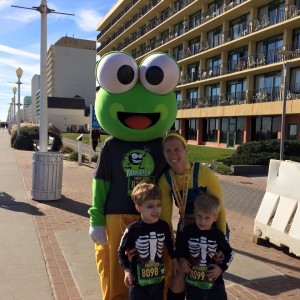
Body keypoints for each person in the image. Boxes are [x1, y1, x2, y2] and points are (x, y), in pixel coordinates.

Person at [88, 52, 179, 300]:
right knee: (115, 269)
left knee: (154, 268)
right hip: (116, 215)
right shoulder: (111, 146)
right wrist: (96, 217)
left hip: (152, 217)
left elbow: (172, 180)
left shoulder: (160, 146)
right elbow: (101, 183)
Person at [158, 131, 227, 300]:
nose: (173, 155)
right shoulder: (165, 179)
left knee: (209, 272)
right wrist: (173, 253)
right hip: (187, 230)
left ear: (186, 150)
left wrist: (222, 239)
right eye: (168, 150)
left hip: (212, 227)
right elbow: (166, 219)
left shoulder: (204, 173)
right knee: (179, 273)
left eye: (177, 149)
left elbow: (220, 209)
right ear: (163, 153)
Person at [118, 181, 180, 300]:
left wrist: (175, 261)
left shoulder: (164, 226)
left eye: (158, 205)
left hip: (158, 281)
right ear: (139, 208)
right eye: (150, 206)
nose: (156, 210)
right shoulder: (132, 229)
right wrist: (126, 271)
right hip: (138, 284)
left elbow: (170, 245)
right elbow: (121, 251)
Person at [177, 193, 234, 300]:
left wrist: (221, 268)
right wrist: (181, 259)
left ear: (215, 217)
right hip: (193, 284)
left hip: (214, 283)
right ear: (194, 213)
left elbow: (230, 253)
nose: (202, 221)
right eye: (199, 216)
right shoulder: (188, 232)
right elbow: (179, 248)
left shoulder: (218, 235)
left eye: (207, 218)